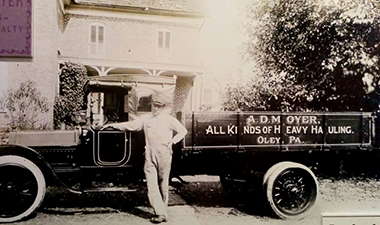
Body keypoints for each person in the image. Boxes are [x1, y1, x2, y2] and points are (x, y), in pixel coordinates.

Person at [102, 94, 187, 223]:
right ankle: (160, 212)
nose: (156, 108)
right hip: (149, 154)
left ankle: (163, 211)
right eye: (154, 105)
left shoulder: (169, 120)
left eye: (159, 106)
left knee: (163, 184)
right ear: (152, 106)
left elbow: (183, 131)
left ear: (163, 107)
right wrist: (112, 126)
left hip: (164, 154)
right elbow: (131, 125)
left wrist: (172, 142)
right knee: (151, 184)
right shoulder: (147, 119)